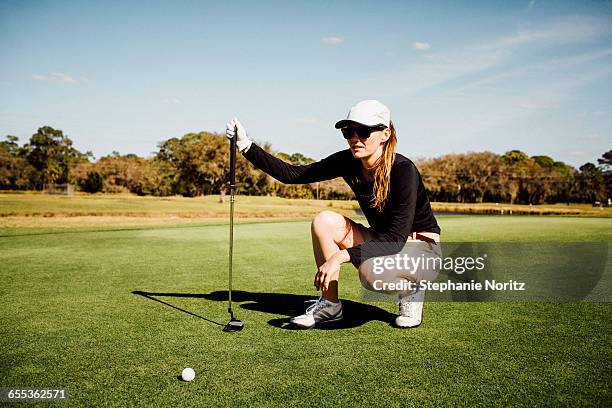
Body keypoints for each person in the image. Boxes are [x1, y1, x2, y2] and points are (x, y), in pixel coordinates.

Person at [226, 100, 441, 329]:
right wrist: (247, 146)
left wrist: (339, 257)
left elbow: (396, 240)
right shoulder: (348, 160)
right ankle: (330, 305)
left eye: (364, 131)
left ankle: (412, 290)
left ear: (385, 134)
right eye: (349, 131)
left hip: (419, 249)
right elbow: (293, 174)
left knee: (370, 273)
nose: (355, 138)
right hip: (383, 241)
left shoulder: (403, 170)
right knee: (324, 221)